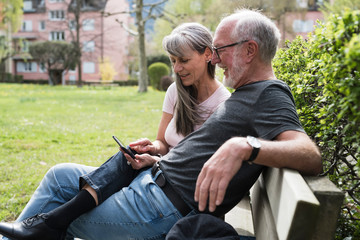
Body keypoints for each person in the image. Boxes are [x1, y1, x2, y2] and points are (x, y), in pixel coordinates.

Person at [0, 9, 322, 240]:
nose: (216, 60)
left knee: (57, 217)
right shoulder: (246, 95)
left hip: (159, 209)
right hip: (149, 185)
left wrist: (243, 147)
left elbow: (309, 154)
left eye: (221, 50)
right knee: (59, 177)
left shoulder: (269, 93)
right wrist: (156, 158)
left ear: (250, 50)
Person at [0, 23, 230, 240]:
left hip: (168, 202)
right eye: (173, 61)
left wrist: (157, 160)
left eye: (184, 60)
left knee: (59, 216)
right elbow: (164, 142)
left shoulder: (224, 107)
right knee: (58, 176)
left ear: (208, 54)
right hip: (150, 179)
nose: (177, 68)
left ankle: (34, 229)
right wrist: (153, 148)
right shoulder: (176, 91)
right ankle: (26, 230)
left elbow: (199, 172)